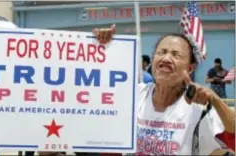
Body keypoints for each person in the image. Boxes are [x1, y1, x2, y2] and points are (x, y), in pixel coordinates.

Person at [93, 25, 235, 155]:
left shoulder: (199, 109)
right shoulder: (134, 95)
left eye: (175, 55)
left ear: (190, 68)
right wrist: (102, 47)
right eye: (162, 52)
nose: (166, 58)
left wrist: (215, 99)